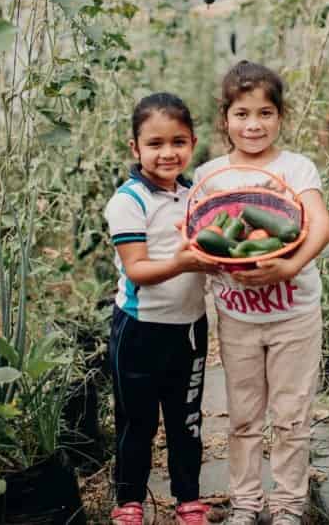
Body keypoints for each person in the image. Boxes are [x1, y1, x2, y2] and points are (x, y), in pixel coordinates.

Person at [194, 61, 329, 525]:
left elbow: (321, 225)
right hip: (237, 319)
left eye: (265, 113)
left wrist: (291, 265)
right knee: (243, 417)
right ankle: (246, 503)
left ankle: (289, 504)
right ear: (225, 117)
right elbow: (198, 236)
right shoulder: (209, 175)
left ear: (280, 116)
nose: (253, 125)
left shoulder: (296, 167)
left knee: (292, 416)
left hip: (295, 315)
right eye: (241, 113)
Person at [104, 93, 216, 525]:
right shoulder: (128, 201)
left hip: (189, 329)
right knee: (137, 421)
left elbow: (211, 251)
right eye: (155, 143)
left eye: (178, 141)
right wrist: (184, 262)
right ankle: (129, 500)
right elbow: (137, 269)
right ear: (135, 148)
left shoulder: (194, 197)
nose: (167, 152)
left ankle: (188, 498)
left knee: (186, 420)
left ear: (192, 142)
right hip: (140, 330)